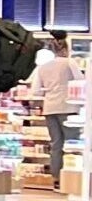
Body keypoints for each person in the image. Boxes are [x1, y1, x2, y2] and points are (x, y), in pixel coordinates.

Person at [32, 33, 79, 184]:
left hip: (50, 107)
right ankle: (71, 179)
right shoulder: (69, 63)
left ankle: (56, 178)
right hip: (69, 107)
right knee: (72, 143)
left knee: (56, 144)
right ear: (65, 48)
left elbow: (36, 91)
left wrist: (49, 90)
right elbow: (81, 82)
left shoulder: (42, 67)